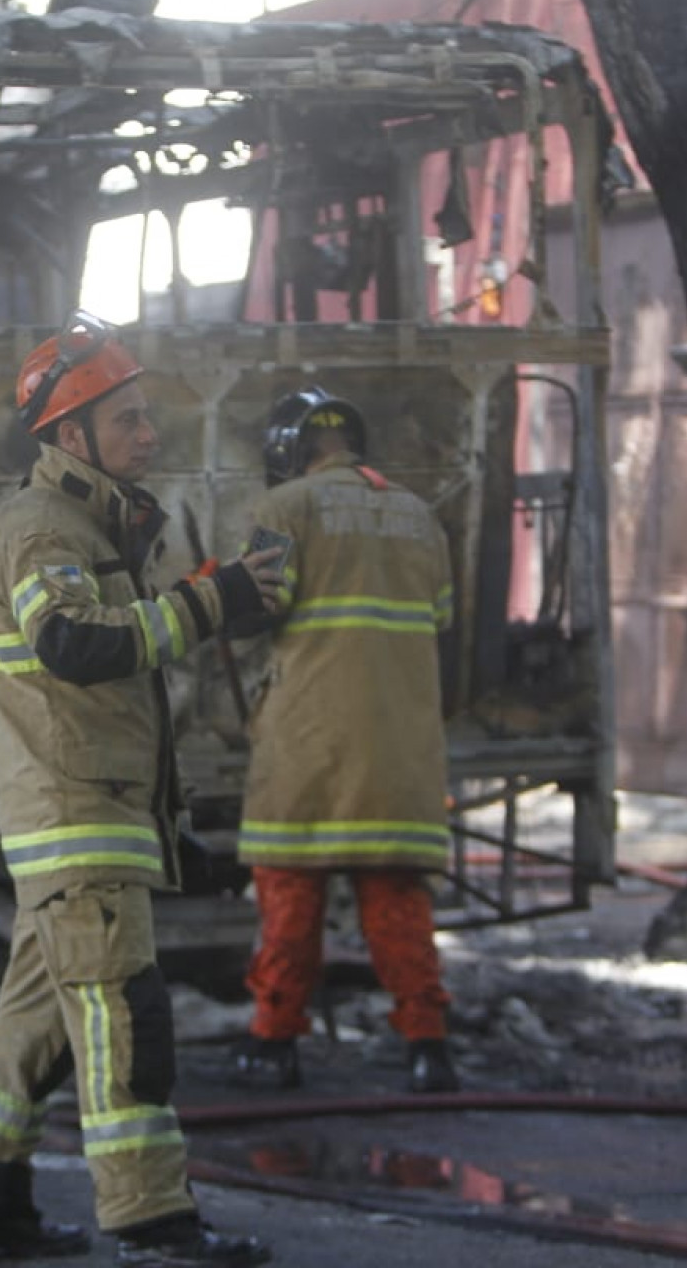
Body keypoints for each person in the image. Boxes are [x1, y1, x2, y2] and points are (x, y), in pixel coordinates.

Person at [0, 310, 281, 1267]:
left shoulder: (84, 525)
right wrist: (211, 602)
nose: (148, 434)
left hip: (88, 819)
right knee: (125, 1016)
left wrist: (169, 830)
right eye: (127, 419)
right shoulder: (43, 529)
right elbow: (73, 645)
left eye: (145, 415)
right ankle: (150, 1218)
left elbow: (105, 694)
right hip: (74, 819)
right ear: (71, 435)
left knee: (37, 1020)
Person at [226, 386, 461, 1095]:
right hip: (400, 747)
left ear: (287, 451)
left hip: (309, 743)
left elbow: (257, 607)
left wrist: (216, 590)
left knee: (291, 896)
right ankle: (428, 1048)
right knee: (397, 899)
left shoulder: (283, 509)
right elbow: (440, 618)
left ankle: (273, 1044)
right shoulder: (421, 517)